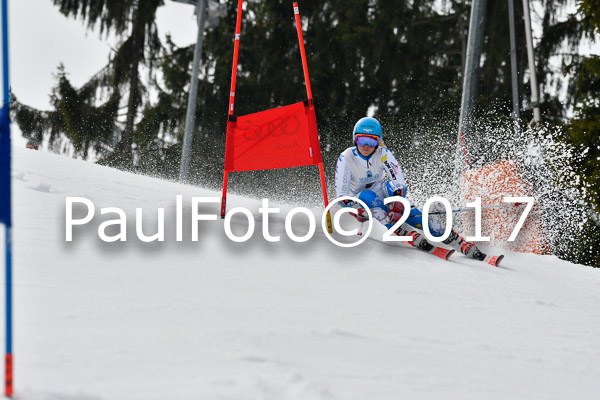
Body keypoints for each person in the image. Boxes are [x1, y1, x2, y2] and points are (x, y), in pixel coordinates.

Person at [334, 116, 486, 261]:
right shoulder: (346, 158)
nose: (366, 146)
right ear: (355, 139)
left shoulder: (383, 154)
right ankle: (403, 230)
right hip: (362, 198)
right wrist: (355, 209)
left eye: (371, 142)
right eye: (362, 140)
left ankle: (458, 242)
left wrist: (398, 205)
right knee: (367, 196)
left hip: (383, 189)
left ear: (378, 142)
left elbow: (398, 180)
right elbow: (342, 195)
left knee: (417, 218)